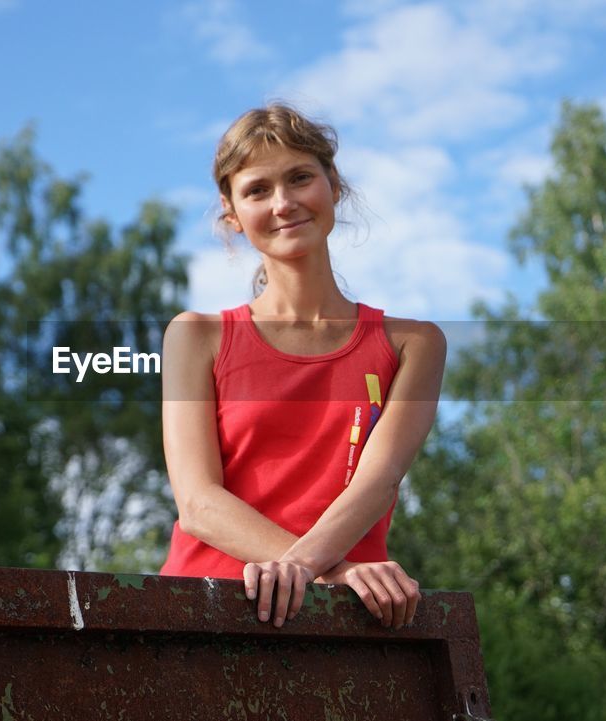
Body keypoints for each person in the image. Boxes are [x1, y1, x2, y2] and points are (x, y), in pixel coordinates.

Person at [158, 103, 446, 632]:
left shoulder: (413, 344)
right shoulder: (195, 336)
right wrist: (329, 574)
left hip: (343, 622)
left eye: (300, 178)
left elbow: (376, 482)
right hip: (203, 612)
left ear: (333, 185)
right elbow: (198, 503)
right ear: (232, 214)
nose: (284, 203)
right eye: (257, 190)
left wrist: (308, 574)